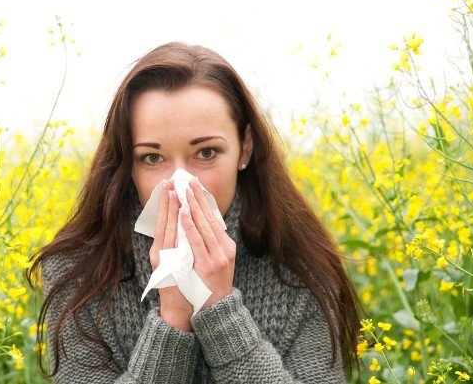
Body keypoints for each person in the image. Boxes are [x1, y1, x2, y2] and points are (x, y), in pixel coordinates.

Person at [27, 42, 361, 383]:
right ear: (128, 162)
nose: (180, 182)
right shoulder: (78, 273)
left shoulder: (304, 269)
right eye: (152, 158)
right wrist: (172, 318)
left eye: (206, 153)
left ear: (245, 148)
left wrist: (219, 310)